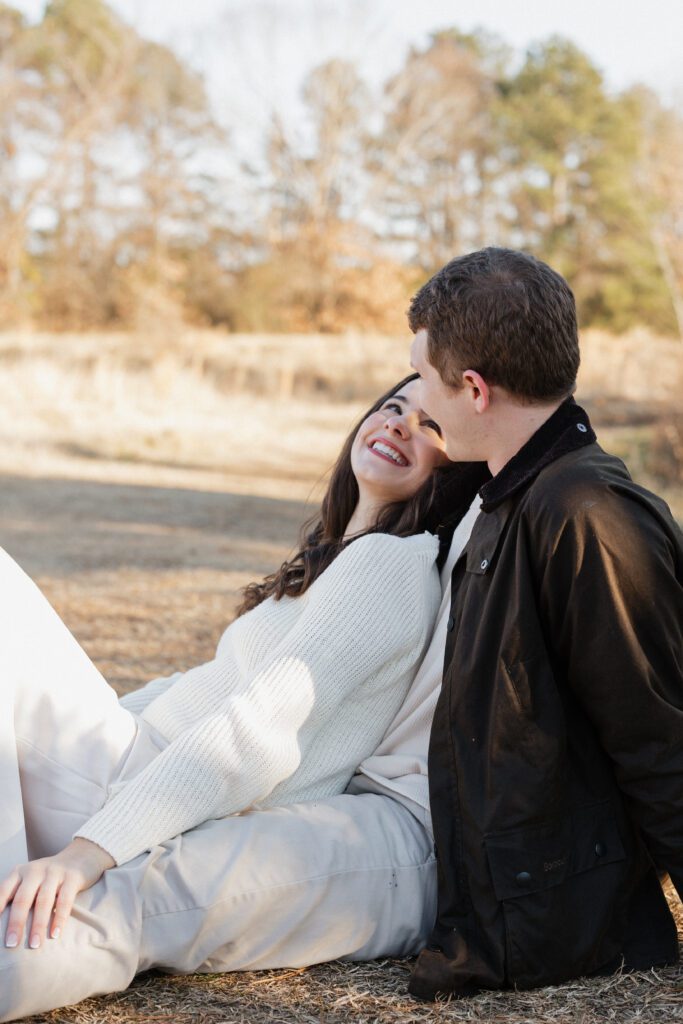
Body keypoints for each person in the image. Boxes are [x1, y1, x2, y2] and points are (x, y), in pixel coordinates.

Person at [0, 374, 487, 1021]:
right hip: (131, 769)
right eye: (392, 408)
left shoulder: (392, 566)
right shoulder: (340, 556)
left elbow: (262, 727)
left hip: (137, 792)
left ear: (452, 472)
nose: (398, 424)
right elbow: (198, 686)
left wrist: (87, 853)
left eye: (429, 426)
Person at [406, 246, 683, 999]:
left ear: (473, 388)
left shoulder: (584, 513)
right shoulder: (509, 492)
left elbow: (657, 733)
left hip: (549, 920)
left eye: (423, 380)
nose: (417, 403)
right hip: (491, 900)